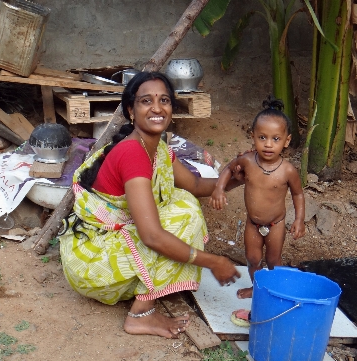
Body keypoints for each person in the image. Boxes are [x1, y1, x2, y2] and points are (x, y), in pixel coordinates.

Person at [59, 71, 243, 339]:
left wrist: (234, 179)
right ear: (131, 111)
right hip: (92, 264)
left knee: (184, 201)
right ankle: (140, 315)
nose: (157, 108)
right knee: (181, 216)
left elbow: (193, 185)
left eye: (164, 100)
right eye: (146, 101)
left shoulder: (158, 149)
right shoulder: (133, 152)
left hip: (109, 247)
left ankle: (153, 284)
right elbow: (151, 236)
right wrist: (214, 261)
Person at [210, 96, 305, 301]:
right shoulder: (247, 160)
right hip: (252, 224)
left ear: (287, 141)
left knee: (273, 260)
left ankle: (275, 290)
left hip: (276, 224)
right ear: (253, 136)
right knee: (252, 260)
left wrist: (299, 219)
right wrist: (219, 188)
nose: (268, 144)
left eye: (276, 139)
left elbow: (298, 193)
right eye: (262, 138)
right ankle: (258, 289)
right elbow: (228, 168)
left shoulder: (288, 170)